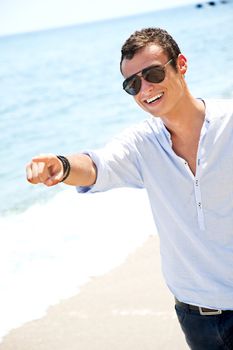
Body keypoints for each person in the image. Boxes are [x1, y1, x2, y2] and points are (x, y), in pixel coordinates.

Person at [26, 27, 233, 349]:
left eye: (152, 73)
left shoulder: (230, 122)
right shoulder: (141, 144)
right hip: (198, 318)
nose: (145, 88)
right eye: (132, 84)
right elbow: (98, 165)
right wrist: (62, 165)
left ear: (181, 64)